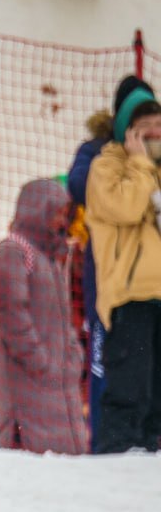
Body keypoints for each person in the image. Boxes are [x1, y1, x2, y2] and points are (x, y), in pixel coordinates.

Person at [66, 74, 153, 445]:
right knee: (113, 373)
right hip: (110, 283)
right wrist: (134, 164)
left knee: (150, 380)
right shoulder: (99, 155)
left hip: (152, 287)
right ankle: (106, 450)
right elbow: (81, 185)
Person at [0, 179, 87, 454]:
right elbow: (10, 311)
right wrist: (37, 357)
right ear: (37, 210)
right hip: (25, 377)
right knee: (25, 456)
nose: (61, 220)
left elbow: (62, 320)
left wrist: (71, 355)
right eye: (56, 212)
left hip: (53, 379)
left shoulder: (51, 259)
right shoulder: (15, 251)